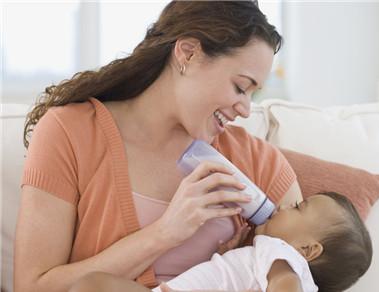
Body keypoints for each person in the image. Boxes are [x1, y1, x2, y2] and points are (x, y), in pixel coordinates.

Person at [14, 1, 305, 291]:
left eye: (253, 94)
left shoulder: (258, 162)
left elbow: (310, 266)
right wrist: (165, 233)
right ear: (188, 54)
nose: (244, 109)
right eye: (240, 87)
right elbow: (32, 286)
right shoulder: (70, 133)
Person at [68, 192, 373, 292]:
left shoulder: (283, 254)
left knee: (90, 285)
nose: (285, 205)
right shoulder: (264, 254)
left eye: (297, 208)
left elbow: (285, 283)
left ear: (307, 250)